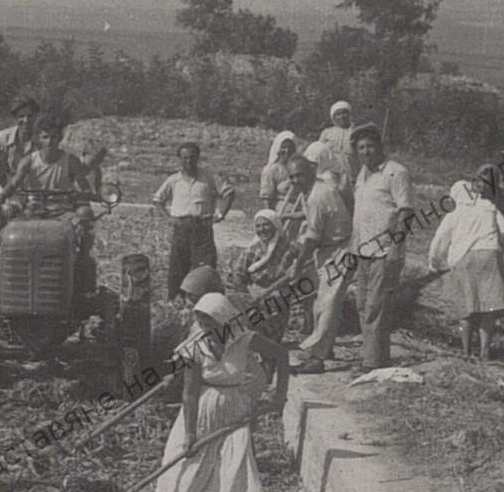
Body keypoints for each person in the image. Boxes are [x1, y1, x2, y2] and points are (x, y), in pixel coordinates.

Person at [155, 293, 289, 492]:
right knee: (189, 467)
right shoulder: (195, 347)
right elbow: (190, 393)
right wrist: (190, 433)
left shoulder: (245, 339)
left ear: (224, 319)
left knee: (240, 466)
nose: (205, 328)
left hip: (235, 412)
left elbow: (282, 356)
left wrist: (280, 397)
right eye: (201, 322)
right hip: (201, 414)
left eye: (210, 322)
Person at [429, 172, 504, 360]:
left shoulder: (455, 212)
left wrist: (434, 262)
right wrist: (501, 243)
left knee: (466, 309)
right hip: (490, 256)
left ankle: (466, 351)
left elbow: (440, 239)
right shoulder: (489, 207)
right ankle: (485, 351)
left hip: (465, 259)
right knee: (489, 308)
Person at [350, 123, 413, 373]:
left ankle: (373, 362)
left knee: (376, 307)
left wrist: (396, 247)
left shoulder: (395, 172)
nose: (366, 152)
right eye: (361, 148)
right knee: (363, 305)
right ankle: (374, 356)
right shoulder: (362, 174)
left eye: (370, 146)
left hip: (384, 251)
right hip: (363, 251)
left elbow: (405, 211)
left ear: (380, 146)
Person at [283, 155, 353, 373]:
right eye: (292, 177)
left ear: (311, 172)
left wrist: (298, 265)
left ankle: (317, 359)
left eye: (300, 175)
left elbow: (312, 238)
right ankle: (325, 348)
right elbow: (309, 214)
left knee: (326, 304)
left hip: (339, 250)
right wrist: (287, 215)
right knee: (324, 302)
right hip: (329, 249)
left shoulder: (317, 196)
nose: (295, 180)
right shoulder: (315, 189)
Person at [151, 142, 235, 299]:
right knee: (177, 269)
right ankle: (175, 302)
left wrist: (220, 215)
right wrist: (168, 218)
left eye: (192, 158)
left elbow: (229, 193)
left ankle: (204, 304)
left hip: (202, 228)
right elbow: (157, 200)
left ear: (197, 158)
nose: (188, 161)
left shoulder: (209, 177)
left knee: (204, 269)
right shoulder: (173, 180)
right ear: (180, 159)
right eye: (185, 158)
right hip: (181, 229)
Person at [0, 116, 104, 203]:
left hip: (64, 207)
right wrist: (2, 196)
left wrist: (85, 195)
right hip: (35, 206)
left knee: (85, 213)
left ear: (60, 138)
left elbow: (84, 187)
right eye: (45, 137)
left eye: (53, 137)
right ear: (39, 139)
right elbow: (14, 183)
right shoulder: (28, 161)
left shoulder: (71, 161)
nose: (49, 142)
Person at [228, 209, 293, 341]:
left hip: (279, 298)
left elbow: (306, 261)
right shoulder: (252, 250)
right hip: (254, 297)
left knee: (272, 339)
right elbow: (238, 276)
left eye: (266, 225)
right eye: (258, 226)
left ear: (275, 225)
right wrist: (247, 300)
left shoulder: (290, 248)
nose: (262, 229)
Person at [0, 96, 40, 182]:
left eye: (30, 116)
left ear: (36, 116)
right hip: (5, 185)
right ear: (15, 118)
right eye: (21, 116)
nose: (26, 120)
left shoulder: (46, 140)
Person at [320, 101, 357, 188]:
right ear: (333, 117)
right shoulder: (327, 133)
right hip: (330, 175)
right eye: (338, 114)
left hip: (351, 174)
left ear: (349, 115)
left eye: (344, 113)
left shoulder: (356, 132)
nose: (342, 116)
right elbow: (319, 153)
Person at [260, 130, 299, 211]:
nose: (287, 151)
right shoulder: (271, 170)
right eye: (283, 147)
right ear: (278, 148)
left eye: (290, 147)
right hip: (280, 212)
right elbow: (267, 200)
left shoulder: (298, 169)